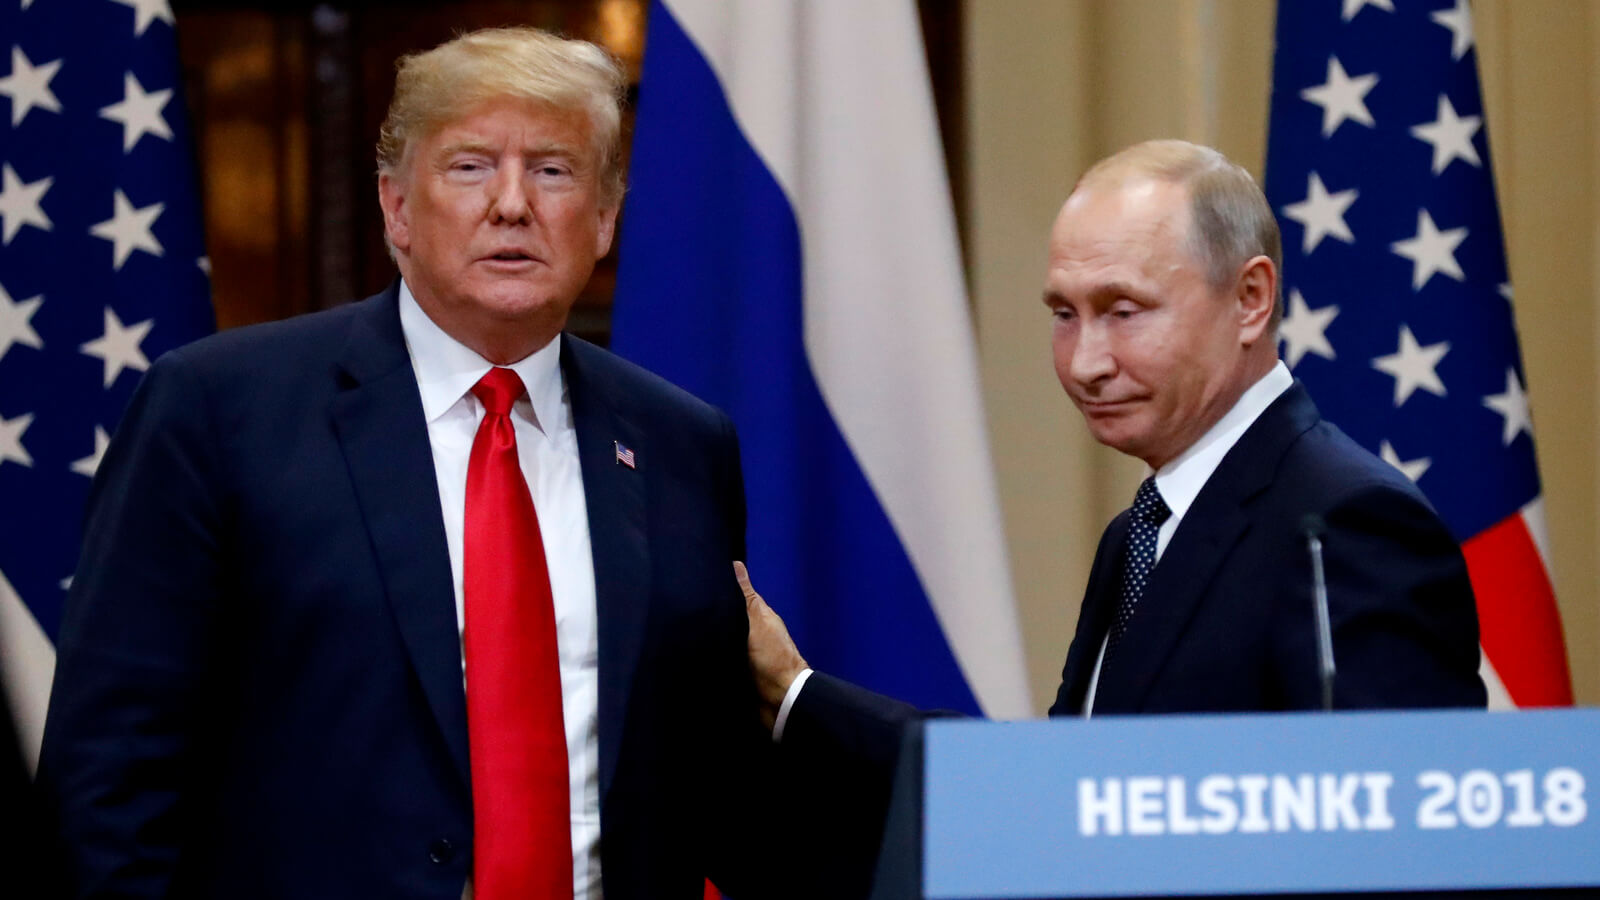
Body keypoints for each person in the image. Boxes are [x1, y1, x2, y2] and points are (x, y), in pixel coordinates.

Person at [38, 27, 780, 900]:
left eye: (553, 170)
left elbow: (721, 784)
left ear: (606, 217)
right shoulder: (216, 411)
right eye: (469, 167)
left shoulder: (682, 444)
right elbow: (106, 780)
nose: (512, 204)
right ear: (395, 206)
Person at [742, 140, 1487, 882]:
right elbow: (1069, 799)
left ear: (1250, 299)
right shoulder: (1138, 532)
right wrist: (797, 692)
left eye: (1123, 311)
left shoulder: (1349, 524)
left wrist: (798, 694)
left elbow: (1401, 846)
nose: (1085, 363)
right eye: (1065, 315)